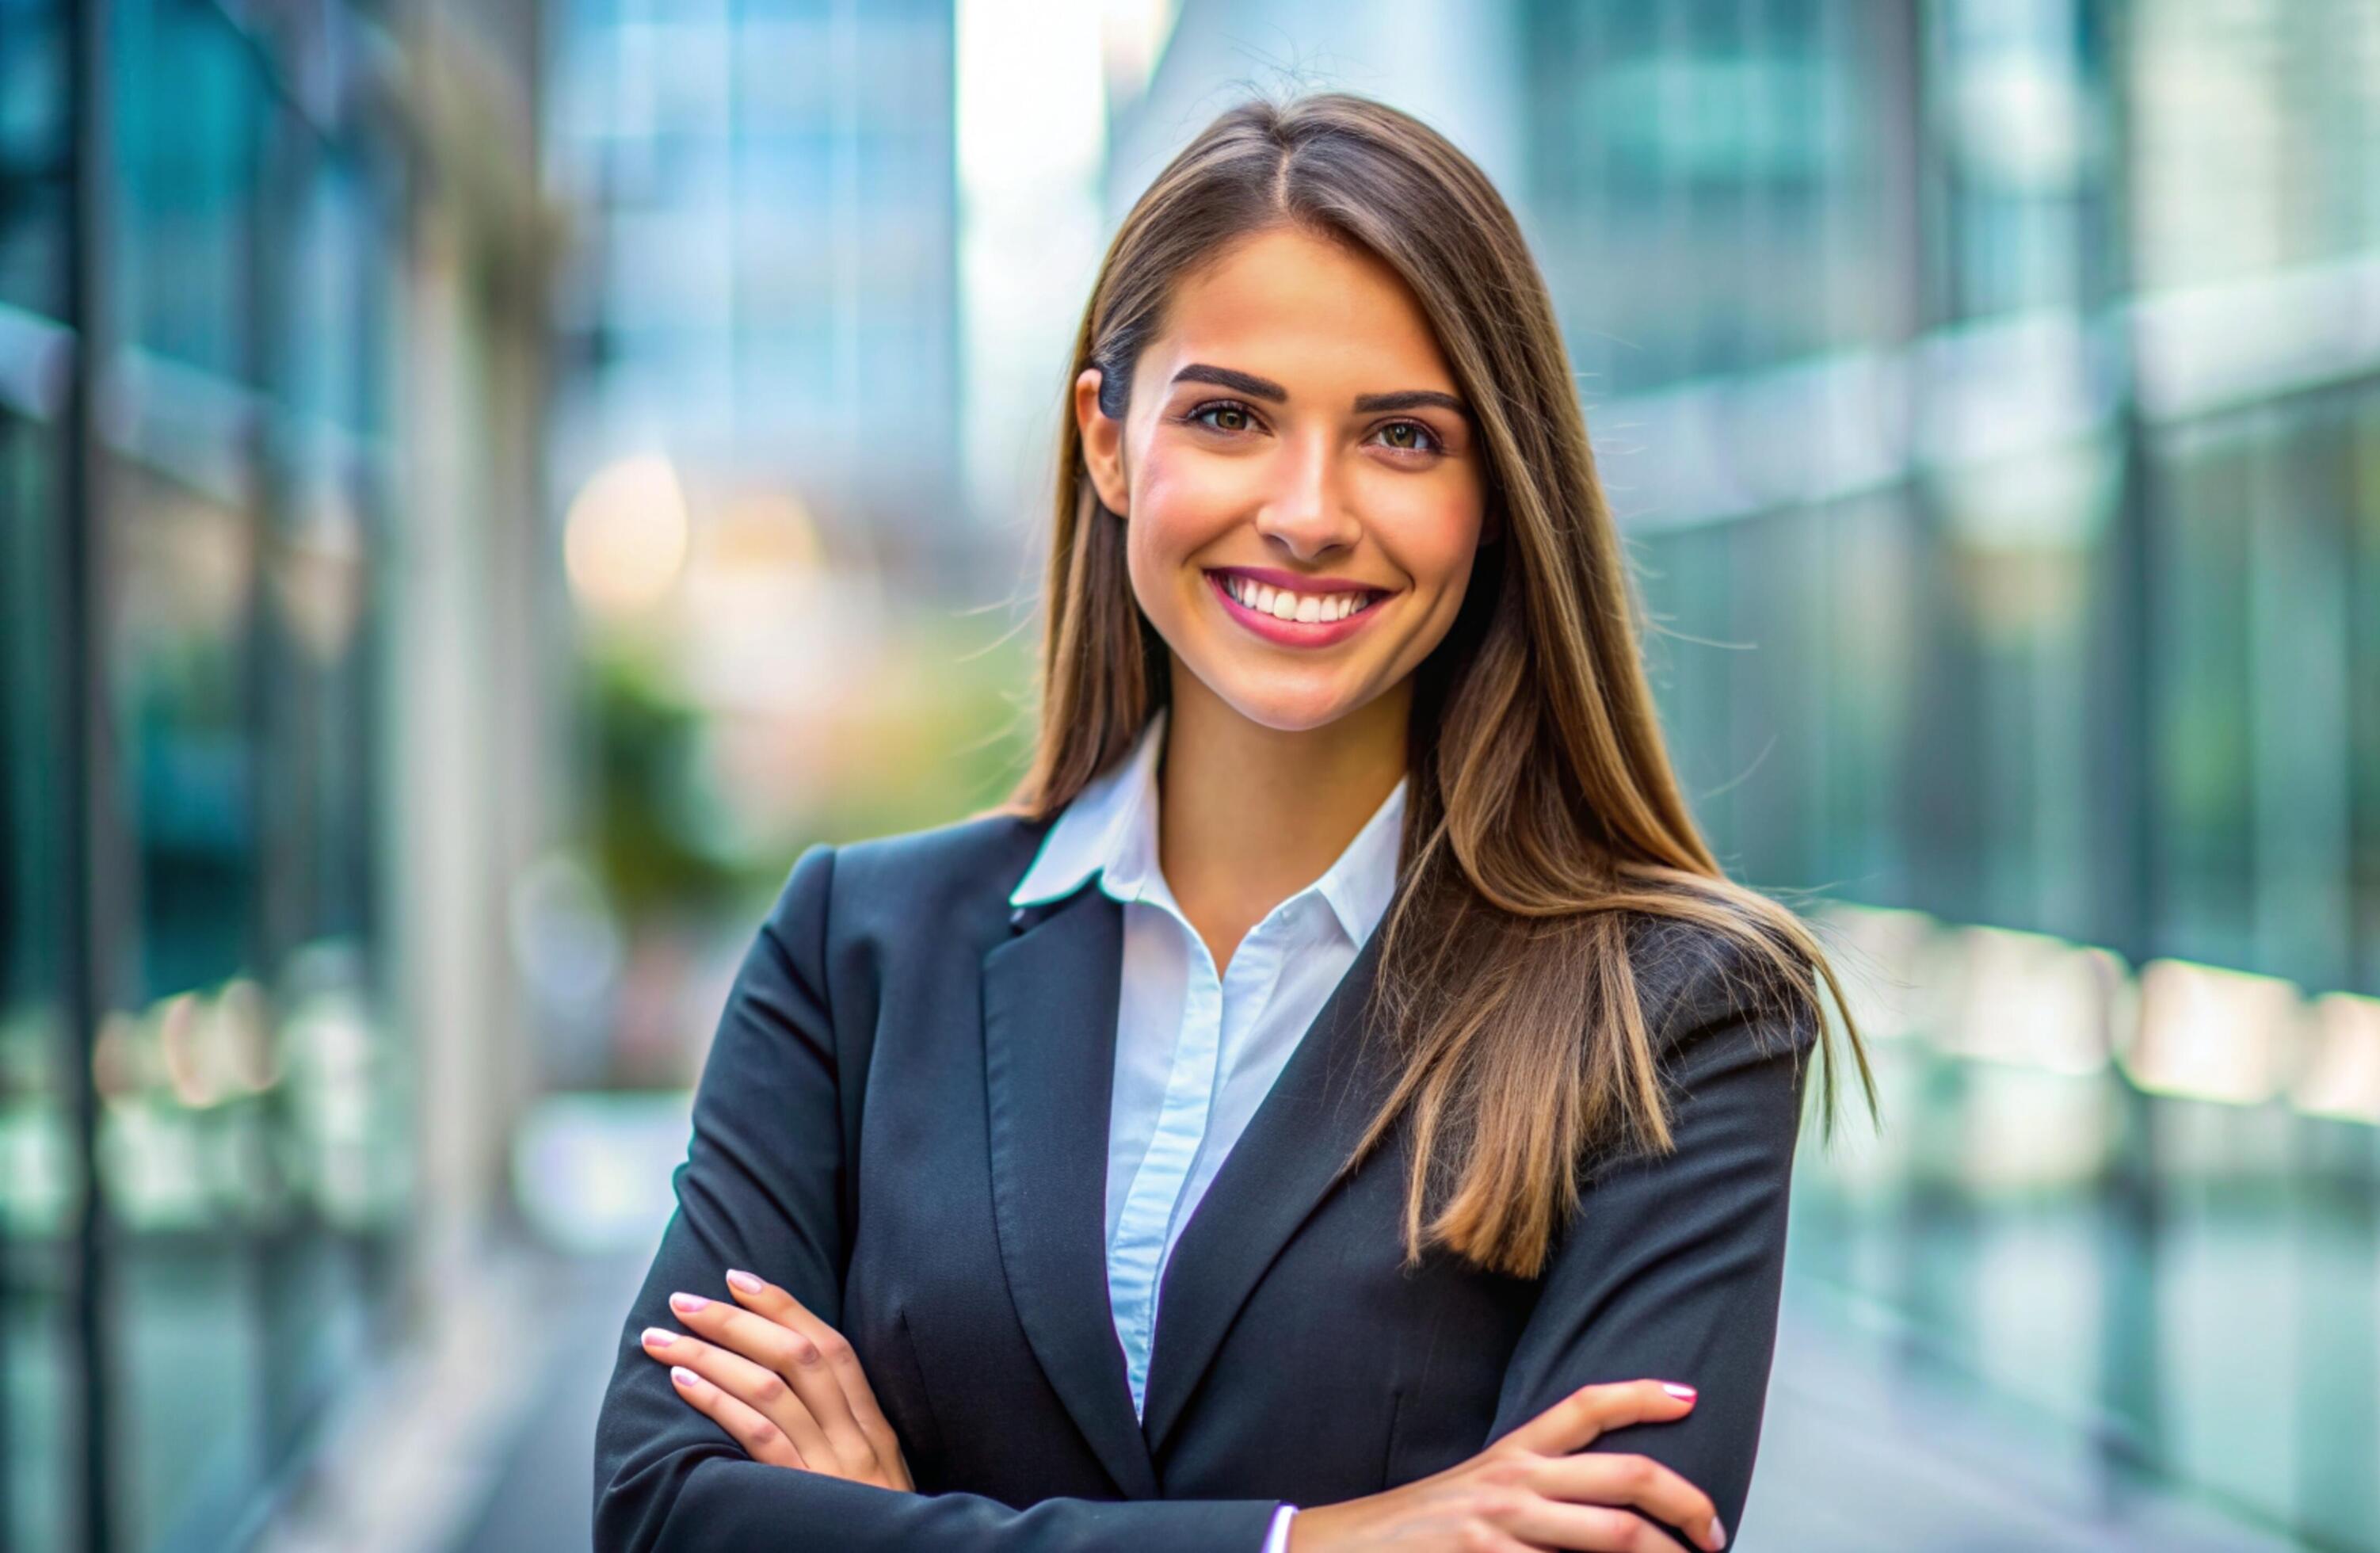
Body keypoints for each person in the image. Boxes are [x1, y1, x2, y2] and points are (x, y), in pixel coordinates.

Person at [593, 91, 1875, 1553]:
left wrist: (894, 1526)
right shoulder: (855, 951)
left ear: (1499, 492)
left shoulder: (1676, 1010)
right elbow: (662, 1516)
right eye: (1229, 415)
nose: (1310, 511)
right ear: (1110, 441)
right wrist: (1325, 1541)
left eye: (1402, 435)